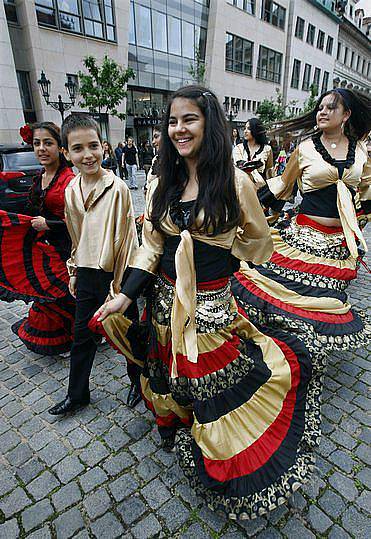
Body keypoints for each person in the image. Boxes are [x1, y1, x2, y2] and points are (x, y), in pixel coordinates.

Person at [93, 85, 323, 520]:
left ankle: (215, 442)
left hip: (210, 303)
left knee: (210, 376)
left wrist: (221, 259)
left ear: (209, 124)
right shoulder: (161, 180)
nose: (179, 129)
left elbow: (259, 240)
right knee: (168, 365)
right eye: (173, 121)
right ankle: (176, 422)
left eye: (189, 119)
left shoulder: (236, 183)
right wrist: (125, 293)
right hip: (162, 300)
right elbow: (151, 245)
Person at [232, 88, 370, 367]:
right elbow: (281, 187)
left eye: (331, 108)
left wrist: (357, 226)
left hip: (338, 244)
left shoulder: (361, 152)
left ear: (346, 115)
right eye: (320, 107)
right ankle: (290, 352)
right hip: (303, 236)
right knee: (288, 293)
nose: (322, 112)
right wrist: (243, 202)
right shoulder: (305, 149)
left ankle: (308, 344)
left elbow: (366, 191)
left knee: (326, 299)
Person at [48, 114, 140, 416]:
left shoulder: (118, 189)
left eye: (93, 146)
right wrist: (73, 271)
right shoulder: (71, 191)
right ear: (67, 153)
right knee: (82, 336)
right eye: (78, 149)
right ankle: (77, 395)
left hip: (118, 274)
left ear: (104, 146)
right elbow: (76, 236)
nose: (87, 155)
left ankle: (139, 383)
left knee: (129, 334)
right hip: (87, 273)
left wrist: (122, 287)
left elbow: (129, 239)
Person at [0, 122, 75, 355]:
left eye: (48, 143)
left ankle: (83, 336)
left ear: (60, 147)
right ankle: (66, 337)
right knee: (49, 297)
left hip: (68, 250)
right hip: (46, 248)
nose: (41, 148)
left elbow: (83, 223)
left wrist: (49, 224)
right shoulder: (41, 176)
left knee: (65, 296)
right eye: (37, 143)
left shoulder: (69, 179)